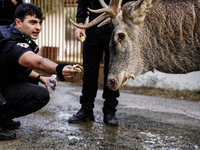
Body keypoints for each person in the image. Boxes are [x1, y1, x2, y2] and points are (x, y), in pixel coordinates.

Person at [0, 3, 77, 141]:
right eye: (33, 22)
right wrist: (59, 68)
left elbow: (15, 68)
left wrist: (41, 78)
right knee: (40, 95)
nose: (38, 27)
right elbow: (38, 62)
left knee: (27, 82)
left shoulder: (14, 34)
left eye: (40, 23)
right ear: (18, 22)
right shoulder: (11, 43)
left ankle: (3, 118)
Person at [68, 0, 132, 126]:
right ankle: (86, 110)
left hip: (116, 26)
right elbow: (82, 1)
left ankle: (110, 112)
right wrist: (80, 23)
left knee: (113, 72)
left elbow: (130, 5)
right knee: (89, 71)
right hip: (93, 26)